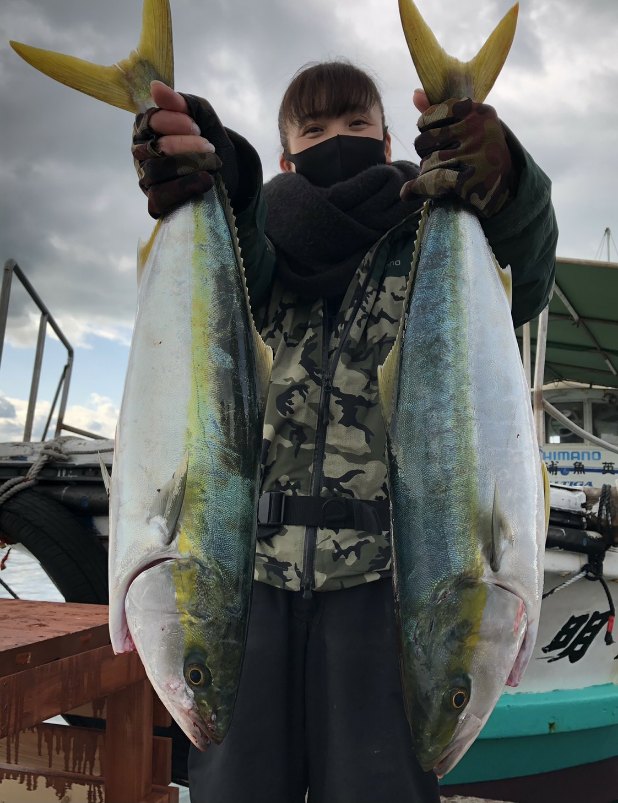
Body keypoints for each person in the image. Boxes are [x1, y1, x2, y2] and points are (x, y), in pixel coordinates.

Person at [131, 62, 558, 803]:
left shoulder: (427, 237)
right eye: (315, 129)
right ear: (285, 155)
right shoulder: (256, 253)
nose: (338, 138)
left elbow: (528, 264)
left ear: (389, 140)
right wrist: (208, 162)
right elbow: (231, 223)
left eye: (357, 124)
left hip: (388, 588)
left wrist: (508, 180)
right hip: (246, 584)